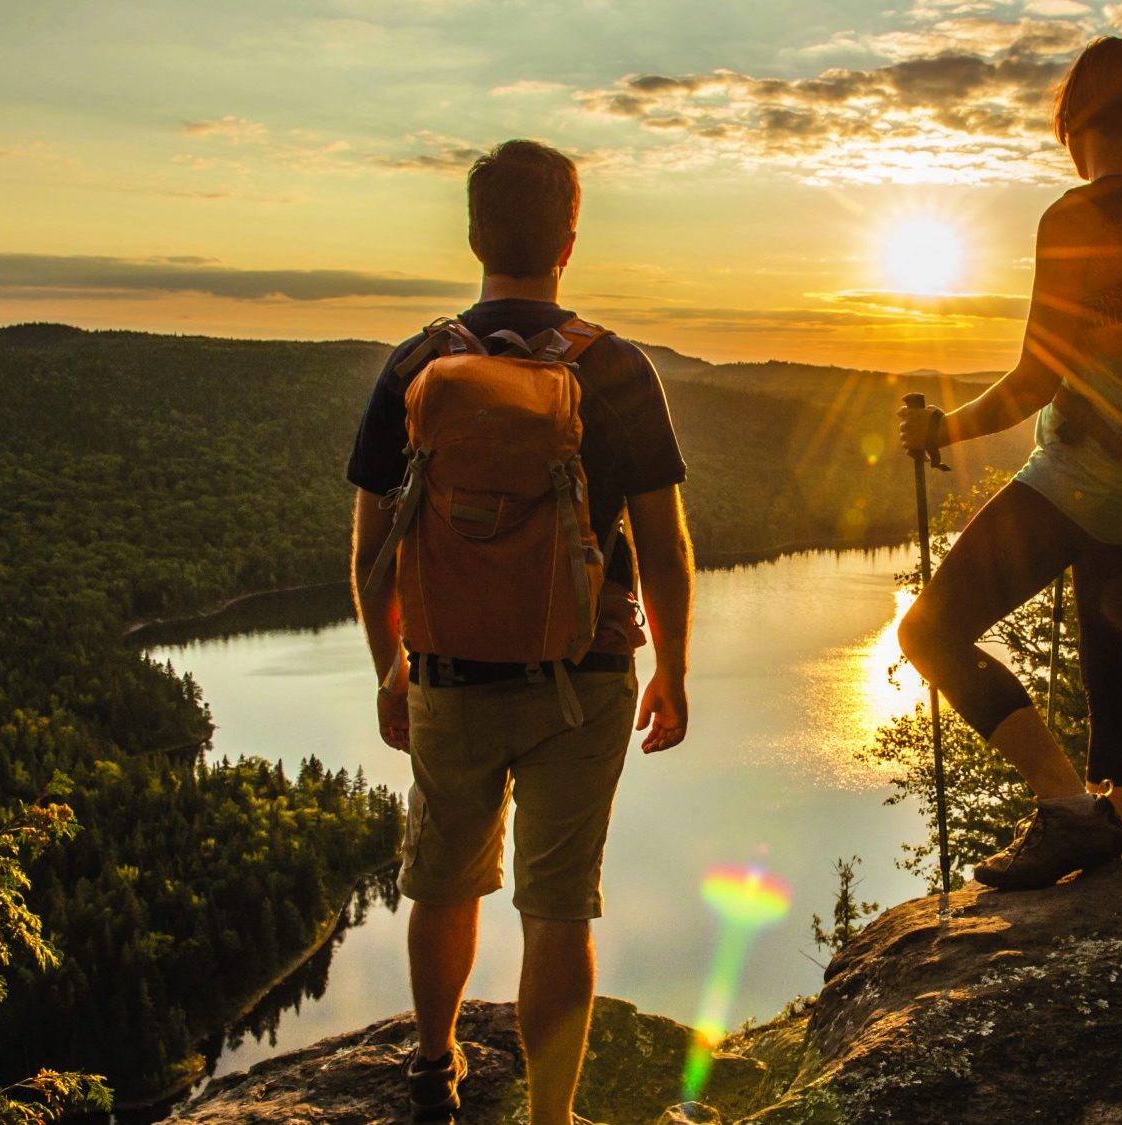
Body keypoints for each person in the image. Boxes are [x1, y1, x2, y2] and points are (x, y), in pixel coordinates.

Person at [348, 139, 695, 1123]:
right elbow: (664, 548)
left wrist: (389, 667)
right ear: (569, 241)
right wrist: (672, 668)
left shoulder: (418, 365)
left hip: (448, 673)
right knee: (556, 906)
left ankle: (432, 1069)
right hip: (583, 677)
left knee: (441, 880)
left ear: (471, 234)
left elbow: (373, 548)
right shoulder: (617, 368)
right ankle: (549, 1116)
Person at [897, 37, 1122, 891]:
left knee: (929, 630)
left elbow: (1035, 377)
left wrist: (944, 428)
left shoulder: (1077, 216)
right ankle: (1105, 823)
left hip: (1079, 476)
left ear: (1075, 116)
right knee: (1111, 664)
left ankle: (1065, 810)